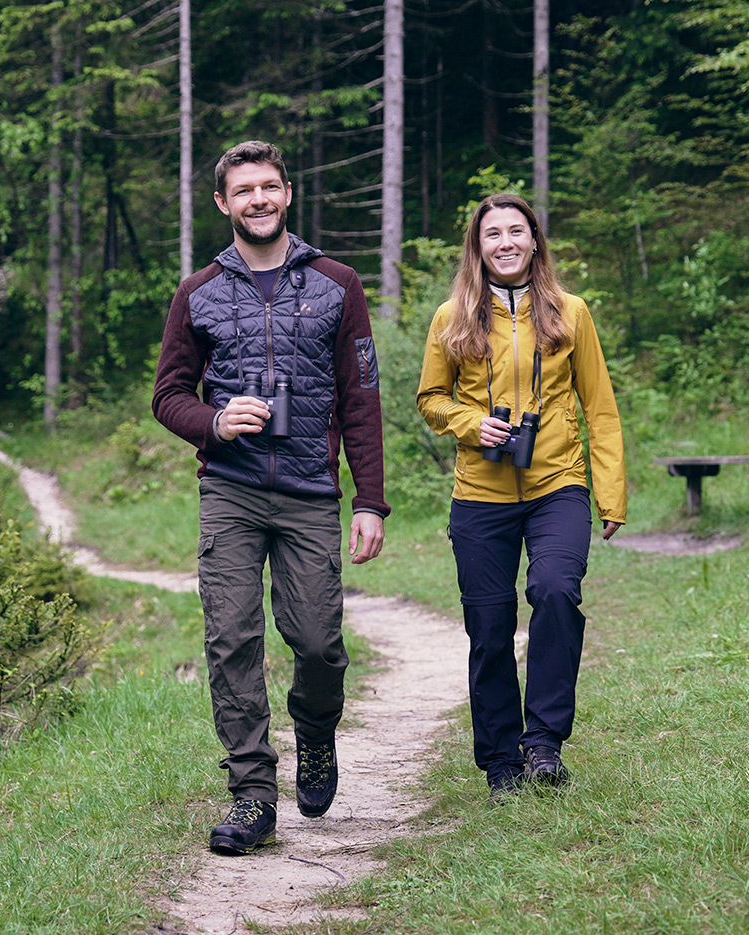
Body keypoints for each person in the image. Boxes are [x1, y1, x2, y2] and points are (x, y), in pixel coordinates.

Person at [152, 140, 388, 854]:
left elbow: (362, 399)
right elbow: (167, 395)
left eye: (269, 187)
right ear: (223, 204)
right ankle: (252, 794)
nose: (258, 199)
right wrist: (215, 421)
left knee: (317, 642)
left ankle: (316, 733)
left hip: (311, 492)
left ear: (289, 194)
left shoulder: (337, 283)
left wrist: (369, 501)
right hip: (230, 489)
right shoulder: (197, 292)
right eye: (243, 190)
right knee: (231, 640)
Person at [416, 193, 626, 802]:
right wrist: (467, 422)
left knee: (556, 592)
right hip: (480, 492)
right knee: (489, 627)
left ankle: (544, 746)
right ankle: (501, 762)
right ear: (477, 249)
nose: (505, 243)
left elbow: (601, 409)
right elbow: (431, 398)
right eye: (492, 234)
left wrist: (610, 493)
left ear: (535, 241)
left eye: (516, 231)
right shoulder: (450, 317)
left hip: (557, 482)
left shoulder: (571, 312)